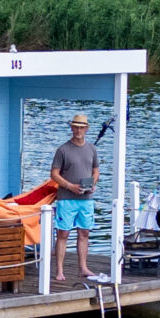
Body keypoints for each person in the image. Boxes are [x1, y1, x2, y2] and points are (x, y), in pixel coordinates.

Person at [50, 113, 102, 282]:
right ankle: (59, 271)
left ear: (86, 129)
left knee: (84, 233)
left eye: (82, 127)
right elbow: (54, 174)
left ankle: (83, 267)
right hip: (66, 199)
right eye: (76, 127)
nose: (78, 130)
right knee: (63, 234)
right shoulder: (63, 150)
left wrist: (93, 183)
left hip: (86, 200)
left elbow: (96, 170)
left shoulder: (92, 149)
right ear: (71, 128)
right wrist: (70, 186)